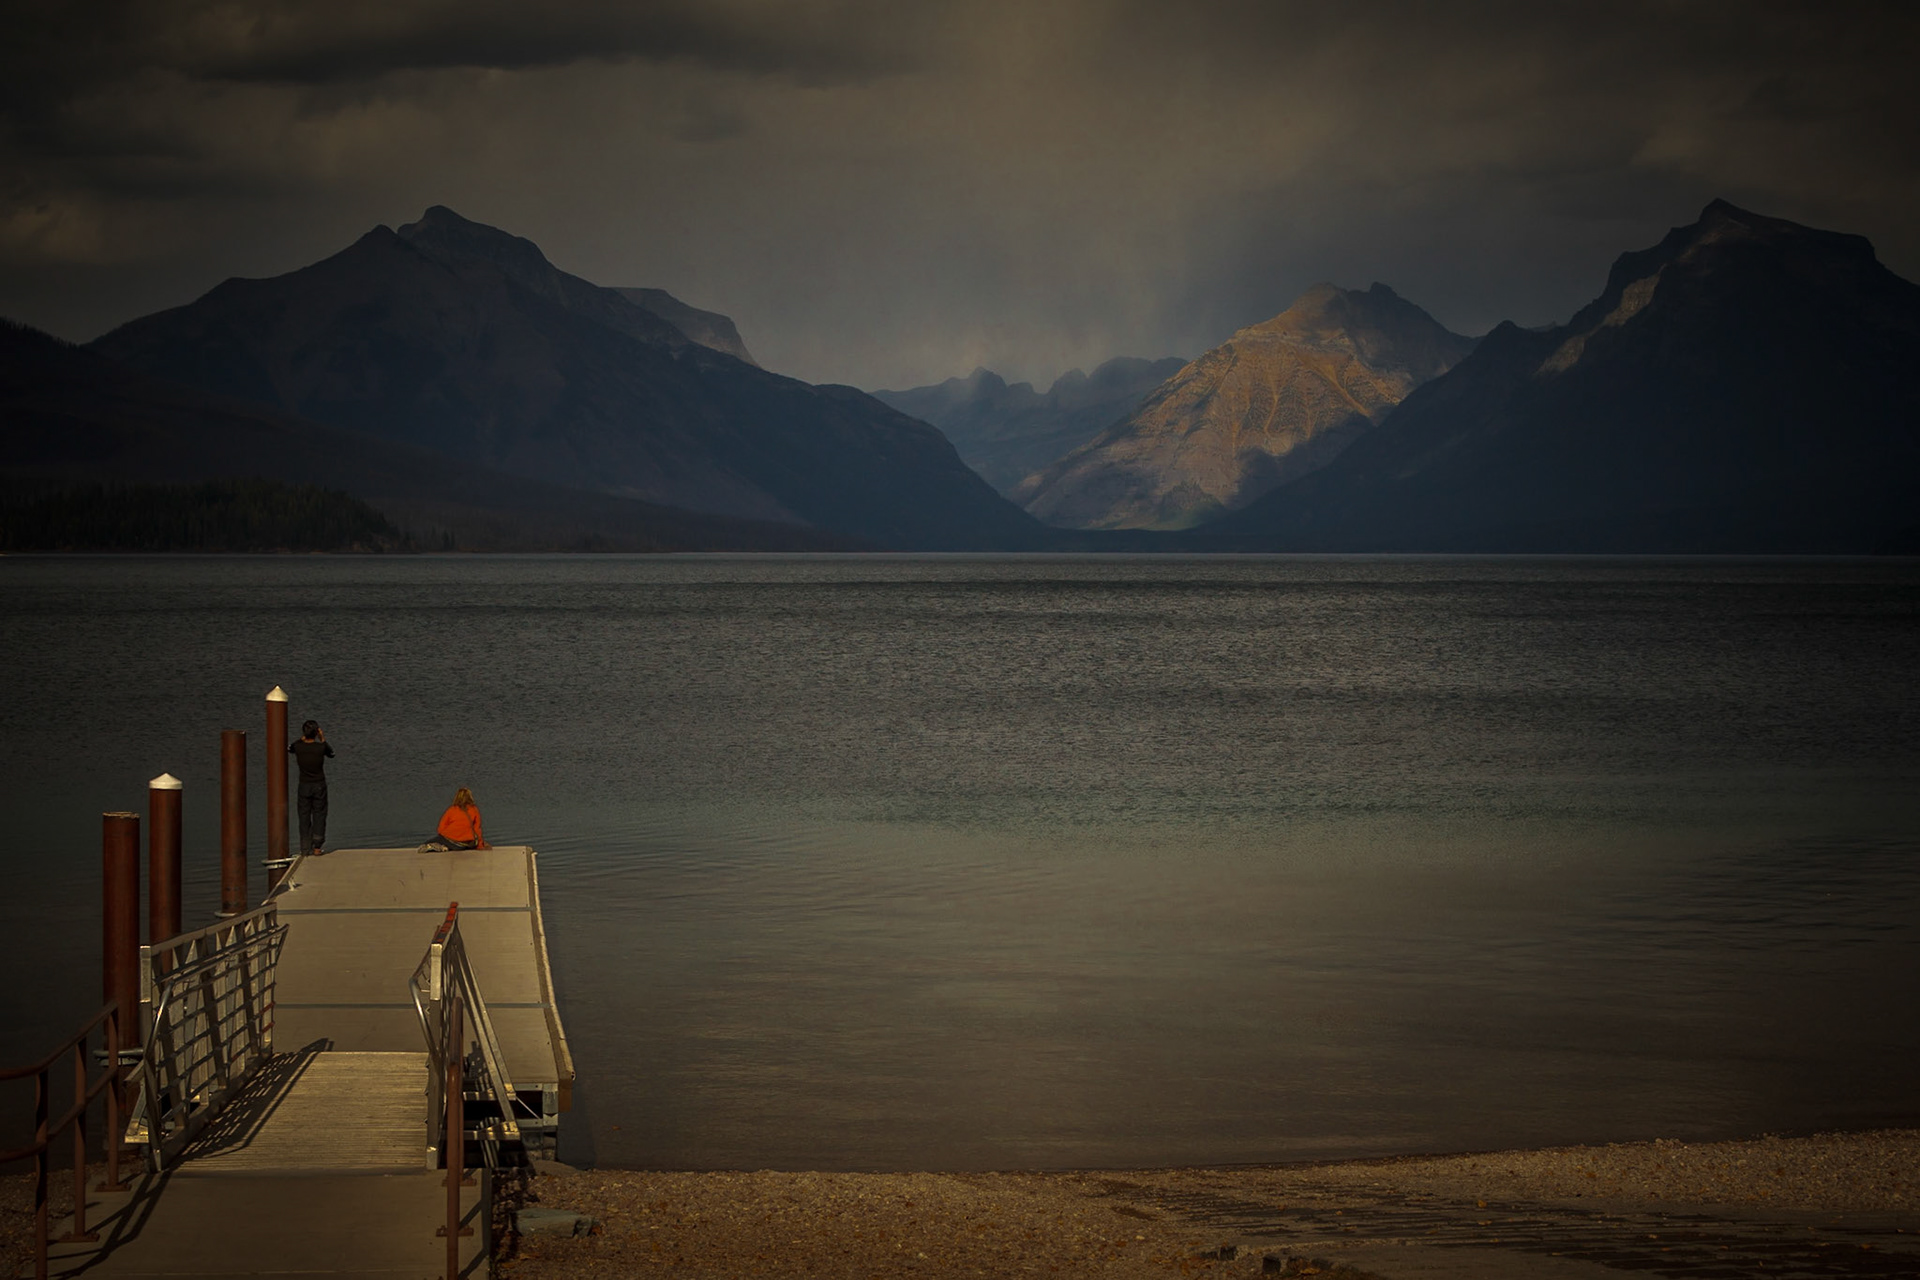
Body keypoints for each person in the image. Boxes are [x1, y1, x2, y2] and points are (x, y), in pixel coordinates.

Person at [288, 720, 334, 854]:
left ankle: (305, 847)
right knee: (319, 814)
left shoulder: (299, 747)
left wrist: (302, 738)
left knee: (304, 815)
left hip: (304, 785)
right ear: (316, 733)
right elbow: (331, 754)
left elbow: (289, 748)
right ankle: (317, 847)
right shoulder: (320, 748)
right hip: (319, 785)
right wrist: (322, 738)